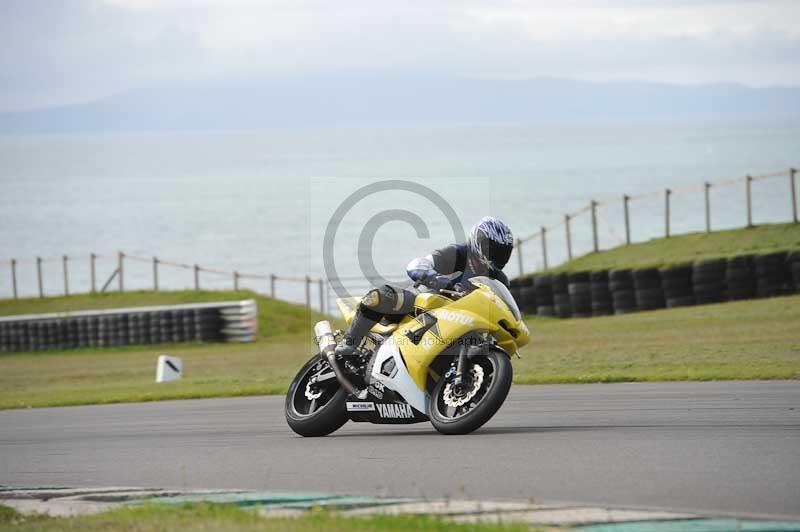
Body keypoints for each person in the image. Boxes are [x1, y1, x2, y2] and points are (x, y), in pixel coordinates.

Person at [334, 216, 514, 358]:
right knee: (382, 296)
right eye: (494, 249)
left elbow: (501, 308)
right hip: (424, 304)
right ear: (480, 242)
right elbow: (416, 264)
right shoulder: (458, 255)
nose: (498, 256)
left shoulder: (499, 280)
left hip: (460, 321)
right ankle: (349, 341)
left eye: (502, 252)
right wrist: (435, 279)